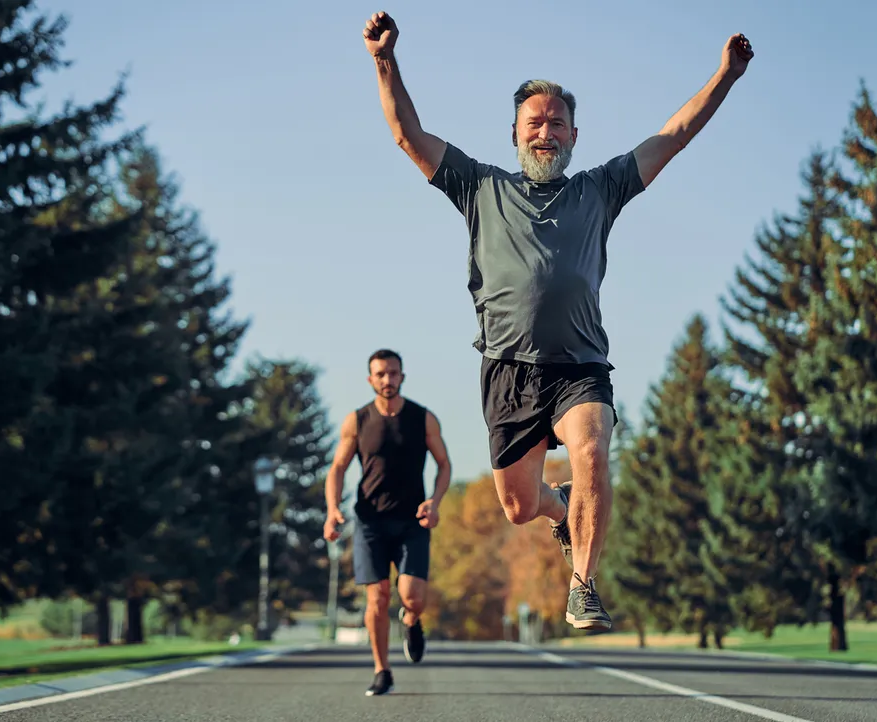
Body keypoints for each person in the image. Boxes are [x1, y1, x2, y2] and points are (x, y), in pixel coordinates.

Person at [361, 11, 754, 632]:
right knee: (519, 506)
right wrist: (384, 59)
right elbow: (409, 135)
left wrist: (725, 76)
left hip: (581, 366)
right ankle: (560, 508)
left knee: (593, 448)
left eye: (557, 123)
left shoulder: (601, 188)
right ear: (516, 134)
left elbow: (673, 135)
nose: (546, 131)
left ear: (574, 135)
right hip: (507, 370)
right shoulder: (479, 186)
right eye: (534, 122)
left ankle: (583, 585)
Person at [323, 348, 452, 696]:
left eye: (393, 373)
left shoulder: (423, 418)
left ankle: (411, 620)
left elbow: (444, 464)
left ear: (402, 376)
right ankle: (382, 671)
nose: (387, 379)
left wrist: (434, 502)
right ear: (370, 379)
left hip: (413, 521)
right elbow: (337, 468)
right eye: (380, 374)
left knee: (413, 597)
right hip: (370, 522)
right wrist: (333, 509)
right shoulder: (357, 420)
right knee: (377, 597)